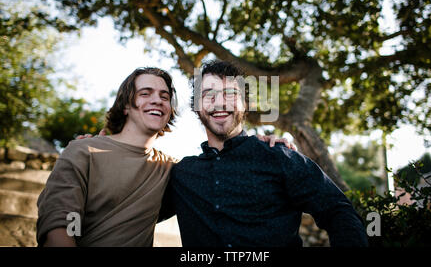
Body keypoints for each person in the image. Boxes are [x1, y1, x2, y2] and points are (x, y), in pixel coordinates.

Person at [37, 66, 293, 247]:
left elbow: (219, 167)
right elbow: (61, 224)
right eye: (145, 93)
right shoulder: (84, 151)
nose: (157, 100)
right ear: (126, 105)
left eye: (164, 96)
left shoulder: (171, 170)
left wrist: (253, 144)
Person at [160, 60, 369, 247]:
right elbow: (137, 212)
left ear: (246, 104)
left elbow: (338, 211)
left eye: (230, 93)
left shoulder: (279, 157)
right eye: (208, 94)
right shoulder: (182, 174)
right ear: (196, 107)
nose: (220, 102)